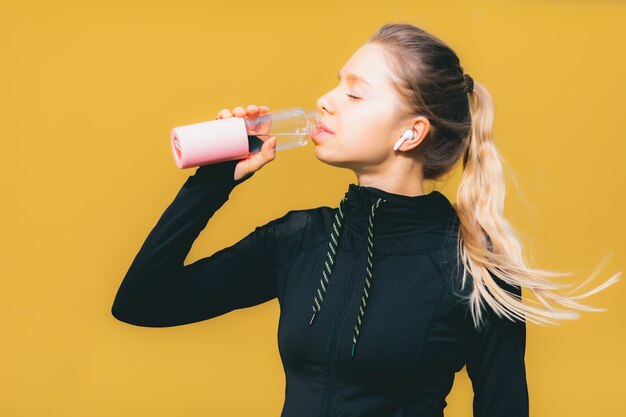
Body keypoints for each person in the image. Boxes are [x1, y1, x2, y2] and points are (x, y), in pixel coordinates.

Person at [112, 22, 621, 417]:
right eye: (337, 84)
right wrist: (212, 181)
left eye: (354, 92)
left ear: (411, 133)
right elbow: (142, 304)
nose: (325, 101)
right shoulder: (299, 239)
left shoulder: (477, 270)